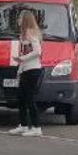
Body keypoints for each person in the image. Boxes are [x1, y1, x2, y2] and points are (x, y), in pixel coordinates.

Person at [11, 8, 45, 137]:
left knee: (29, 98)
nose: (18, 20)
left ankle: (36, 127)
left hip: (33, 70)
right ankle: (24, 125)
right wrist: (20, 69)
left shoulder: (31, 33)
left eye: (20, 18)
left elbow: (38, 51)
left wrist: (22, 59)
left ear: (25, 20)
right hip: (26, 70)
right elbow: (24, 54)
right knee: (21, 98)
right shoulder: (24, 34)